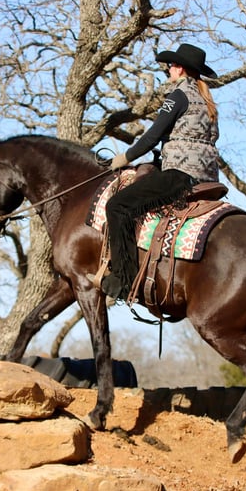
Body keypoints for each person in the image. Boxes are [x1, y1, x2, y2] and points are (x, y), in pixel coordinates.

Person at [97, 43, 220, 301]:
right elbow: (182, 136)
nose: (169, 70)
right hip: (207, 175)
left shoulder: (178, 95)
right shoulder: (205, 97)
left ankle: (123, 278)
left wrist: (123, 158)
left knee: (117, 206)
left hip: (181, 174)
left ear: (181, 68)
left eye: (172, 66)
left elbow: (153, 135)